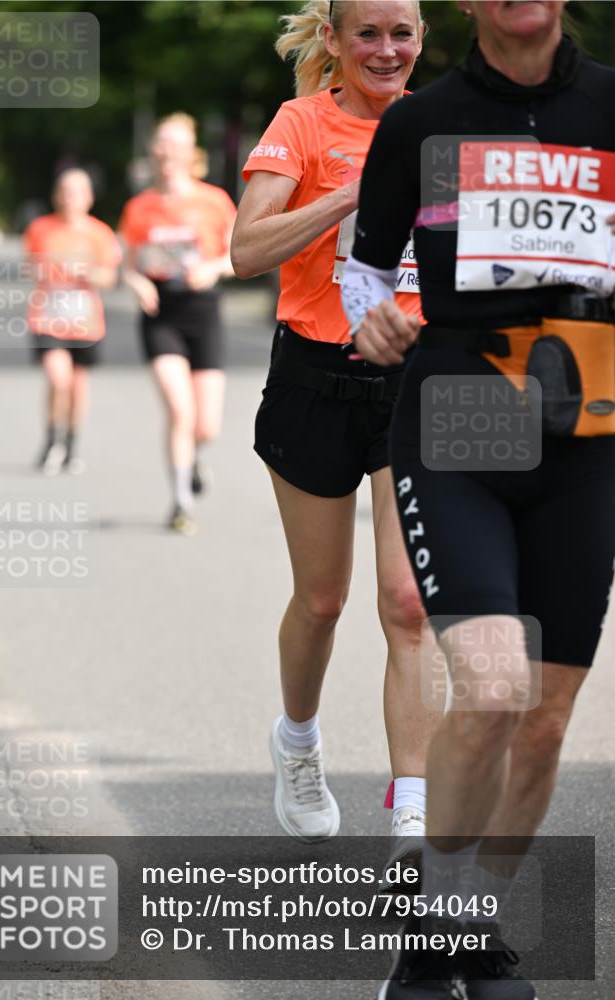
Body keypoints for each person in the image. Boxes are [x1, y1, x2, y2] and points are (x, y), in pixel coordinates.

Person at [342, 1, 615, 995]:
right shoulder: (423, 120)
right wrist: (372, 320)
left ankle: (457, 924)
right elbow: (364, 270)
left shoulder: (606, 105)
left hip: (588, 422)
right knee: (492, 688)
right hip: (461, 408)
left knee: (543, 716)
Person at [231, 0, 440, 848]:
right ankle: (298, 741)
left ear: (421, 41)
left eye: (402, 35)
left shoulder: (447, 126)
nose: (385, 51)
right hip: (315, 378)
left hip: (415, 383)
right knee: (322, 601)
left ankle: (415, 819)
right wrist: (355, 191)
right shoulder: (302, 124)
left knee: (409, 604)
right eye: (368, 34)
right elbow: (246, 251)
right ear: (333, 40)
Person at [119, 114, 236, 535]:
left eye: (175, 145)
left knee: (207, 425)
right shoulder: (139, 207)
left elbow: (239, 253)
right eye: (161, 145)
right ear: (154, 153)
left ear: (192, 154)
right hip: (160, 313)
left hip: (203, 309)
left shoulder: (215, 201)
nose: (167, 152)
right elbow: (128, 265)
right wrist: (135, 283)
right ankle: (181, 500)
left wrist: (213, 269)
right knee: (178, 407)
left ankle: (194, 456)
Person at [24, 169, 121, 475]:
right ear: (56, 196)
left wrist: (84, 272)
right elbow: (28, 267)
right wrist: (46, 270)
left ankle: (71, 445)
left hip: (85, 321)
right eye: (64, 191)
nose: (70, 198)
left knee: (78, 386)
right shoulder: (41, 228)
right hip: (48, 318)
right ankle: (52, 439)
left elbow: (109, 278)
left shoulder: (99, 233)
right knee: (58, 379)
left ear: (89, 198)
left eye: (77, 192)